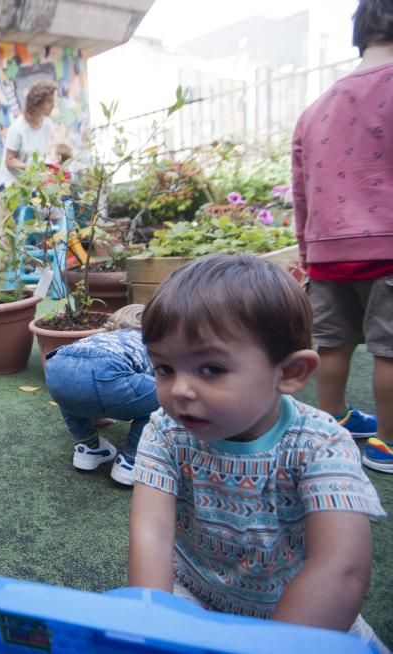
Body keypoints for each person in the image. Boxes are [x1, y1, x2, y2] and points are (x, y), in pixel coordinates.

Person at [129, 254, 387, 651]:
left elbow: (340, 569)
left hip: (304, 617)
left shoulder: (320, 444)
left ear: (290, 373)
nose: (179, 389)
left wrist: (270, 646)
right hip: (194, 599)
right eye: (164, 368)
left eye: (210, 368)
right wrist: (154, 627)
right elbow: (153, 534)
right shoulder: (166, 431)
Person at [292, 0, 392, 472]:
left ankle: (332, 424)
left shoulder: (315, 109)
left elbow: (300, 189)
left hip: (328, 250)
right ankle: (387, 443)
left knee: (332, 345)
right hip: (387, 245)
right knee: (389, 351)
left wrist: (308, 252)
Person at [44, 304, 157, 486]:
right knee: (164, 396)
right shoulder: (151, 342)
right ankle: (131, 462)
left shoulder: (104, 337)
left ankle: (89, 447)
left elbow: (84, 376)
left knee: (70, 396)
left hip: (58, 363)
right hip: (108, 369)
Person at [0, 81, 57, 186]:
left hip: (33, 183)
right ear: (37, 103)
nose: (53, 105)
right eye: (49, 101)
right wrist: (28, 166)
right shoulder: (18, 128)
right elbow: (9, 161)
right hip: (13, 185)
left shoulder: (48, 125)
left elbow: (43, 155)